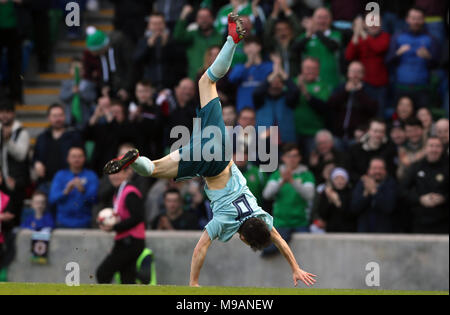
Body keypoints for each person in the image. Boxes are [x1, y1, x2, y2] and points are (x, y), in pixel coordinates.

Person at [104, 14, 316, 287]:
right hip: (210, 164)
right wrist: (193, 283)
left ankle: (232, 40)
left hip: (220, 142)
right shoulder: (226, 222)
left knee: (206, 81)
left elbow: (279, 239)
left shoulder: (259, 214)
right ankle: (135, 163)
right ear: (241, 237)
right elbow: (201, 248)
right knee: (155, 169)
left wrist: (296, 266)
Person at [96, 155, 146, 284]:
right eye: (112, 173)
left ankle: (144, 279)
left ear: (128, 173)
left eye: (118, 172)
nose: (114, 176)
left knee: (103, 273)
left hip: (130, 242)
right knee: (127, 280)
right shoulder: (119, 191)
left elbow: (138, 217)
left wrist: (113, 227)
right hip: (127, 241)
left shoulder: (130, 192)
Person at [386, 7, 440, 109]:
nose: (416, 21)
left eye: (419, 18)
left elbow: (437, 64)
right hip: (401, 86)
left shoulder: (431, 39)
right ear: (407, 19)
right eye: (413, 18)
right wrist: (397, 53)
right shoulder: (398, 37)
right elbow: (388, 61)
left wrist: (429, 57)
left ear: (424, 19)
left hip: (422, 88)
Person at [263, 143, 315, 240]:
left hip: (301, 222)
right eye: (289, 156)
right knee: (271, 252)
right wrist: (281, 182)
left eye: (295, 156)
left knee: (305, 253)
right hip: (280, 223)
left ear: (299, 158)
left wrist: (292, 181)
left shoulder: (307, 175)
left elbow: (309, 195)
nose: (292, 159)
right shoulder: (276, 175)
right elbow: (267, 195)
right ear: (283, 158)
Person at [400, 137, 448, 234]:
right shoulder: (415, 167)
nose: (434, 149)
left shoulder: (447, 166)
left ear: (442, 149)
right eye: (431, 146)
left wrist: (444, 198)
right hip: (420, 222)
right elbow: (402, 190)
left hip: (445, 221)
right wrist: (420, 199)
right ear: (425, 149)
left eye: (437, 146)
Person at [345, 15, 391, 118]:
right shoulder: (360, 37)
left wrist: (362, 33)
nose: (373, 25)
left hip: (380, 85)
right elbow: (349, 55)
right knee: (363, 114)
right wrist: (356, 34)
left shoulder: (385, 36)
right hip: (364, 84)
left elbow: (377, 48)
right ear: (365, 24)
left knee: (379, 114)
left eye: (376, 22)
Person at [33, 104, 83, 190]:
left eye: (60, 115)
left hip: (68, 182)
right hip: (45, 182)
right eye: (55, 116)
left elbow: (83, 157)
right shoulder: (42, 137)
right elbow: (35, 157)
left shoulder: (74, 136)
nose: (58, 119)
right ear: (48, 118)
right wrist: (36, 163)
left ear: (64, 116)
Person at [326, 61, 378, 145]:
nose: (355, 75)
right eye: (353, 71)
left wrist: (359, 92)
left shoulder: (368, 90)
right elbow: (331, 105)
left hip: (358, 136)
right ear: (348, 73)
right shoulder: (340, 87)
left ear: (363, 74)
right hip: (337, 135)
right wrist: (345, 92)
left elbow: (373, 109)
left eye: (358, 72)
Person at [133, 12, 186, 90]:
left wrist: (167, 46)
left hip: (169, 85)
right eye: (154, 24)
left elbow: (180, 61)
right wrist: (148, 46)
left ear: (164, 24)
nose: (157, 27)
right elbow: (136, 60)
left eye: (160, 23)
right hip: (149, 86)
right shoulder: (143, 41)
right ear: (149, 26)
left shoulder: (172, 40)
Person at [253, 55, 299, 144]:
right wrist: (274, 73)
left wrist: (280, 71)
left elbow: (295, 91)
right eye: (273, 81)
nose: (276, 83)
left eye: (279, 81)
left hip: (286, 140)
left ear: (283, 84)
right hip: (263, 142)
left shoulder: (288, 99)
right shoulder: (261, 99)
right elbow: (257, 92)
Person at [49, 146, 98, 228]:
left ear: (84, 158)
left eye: (80, 156)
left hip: (84, 222)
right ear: (68, 158)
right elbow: (52, 199)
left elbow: (95, 199)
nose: (77, 159)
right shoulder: (60, 175)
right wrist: (65, 191)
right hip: (62, 222)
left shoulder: (91, 175)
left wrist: (83, 191)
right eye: (73, 156)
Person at [296, 7, 343, 90]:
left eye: (325, 18)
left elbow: (333, 46)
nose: (322, 21)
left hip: (333, 81)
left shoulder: (336, 35)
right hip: (311, 85)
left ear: (331, 20)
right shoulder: (304, 37)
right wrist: (309, 34)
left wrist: (316, 31)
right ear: (313, 19)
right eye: (319, 18)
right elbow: (295, 49)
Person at [294, 58, 333, 156]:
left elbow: (323, 107)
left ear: (318, 71)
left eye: (314, 68)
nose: (310, 71)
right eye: (307, 68)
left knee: (312, 161)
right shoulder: (293, 83)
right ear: (302, 69)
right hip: (294, 131)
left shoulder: (323, 86)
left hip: (314, 133)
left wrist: (305, 92)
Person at [0, 100, 30, 226]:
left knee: (13, 221)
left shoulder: (22, 132)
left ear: (13, 114)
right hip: (2, 182)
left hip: (16, 183)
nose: (5, 115)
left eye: (8, 112)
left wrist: (8, 141)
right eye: (2, 112)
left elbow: (21, 155)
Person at [173, 6, 223, 80]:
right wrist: (183, 16)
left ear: (213, 19)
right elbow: (177, 36)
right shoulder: (192, 35)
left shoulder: (220, 36)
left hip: (216, 78)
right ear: (196, 20)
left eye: (206, 17)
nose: (203, 20)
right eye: (200, 17)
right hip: (194, 78)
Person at [351, 158, 398, 233]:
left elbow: (389, 207)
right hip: (364, 231)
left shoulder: (391, 184)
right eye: (374, 168)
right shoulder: (361, 184)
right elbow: (354, 208)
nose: (377, 171)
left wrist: (374, 192)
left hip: (385, 232)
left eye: (380, 168)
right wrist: (366, 194)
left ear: (385, 171)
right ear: (368, 170)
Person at [228, 36, 273, 112]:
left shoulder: (269, 66)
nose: (249, 48)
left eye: (251, 44)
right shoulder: (239, 67)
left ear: (259, 47)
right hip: (244, 112)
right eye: (246, 45)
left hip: (264, 110)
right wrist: (248, 64)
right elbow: (232, 79)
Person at [348, 119, 398, 184]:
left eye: (381, 131)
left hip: (384, 185)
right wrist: (363, 179)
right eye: (375, 131)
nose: (378, 134)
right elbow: (349, 171)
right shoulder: (355, 149)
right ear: (368, 131)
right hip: (360, 184)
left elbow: (392, 171)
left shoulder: (391, 148)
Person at [263, 0, 302, 77]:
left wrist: (287, 10)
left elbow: (299, 29)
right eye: (279, 30)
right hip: (278, 81)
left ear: (291, 30)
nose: (282, 32)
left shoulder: (296, 43)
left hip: (295, 79)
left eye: (286, 29)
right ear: (275, 33)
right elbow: (266, 33)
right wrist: (274, 13)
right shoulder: (273, 45)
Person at [314, 167, 356, 233]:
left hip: (348, 230)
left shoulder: (351, 193)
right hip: (331, 230)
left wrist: (337, 201)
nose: (339, 181)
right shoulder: (326, 193)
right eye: (336, 178)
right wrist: (329, 200)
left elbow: (350, 214)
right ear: (332, 180)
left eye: (342, 178)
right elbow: (322, 214)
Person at [59, 58, 97, 128]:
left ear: (84, 70)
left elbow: (92, 98)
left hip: (84, 119)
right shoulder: (66, 84)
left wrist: (80, 93)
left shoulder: (89, 84)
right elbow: (62, 97)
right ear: (70, 70)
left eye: (80, 69)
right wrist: (72, 92)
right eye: (75, 69)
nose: (78, 71)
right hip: (69, 118)